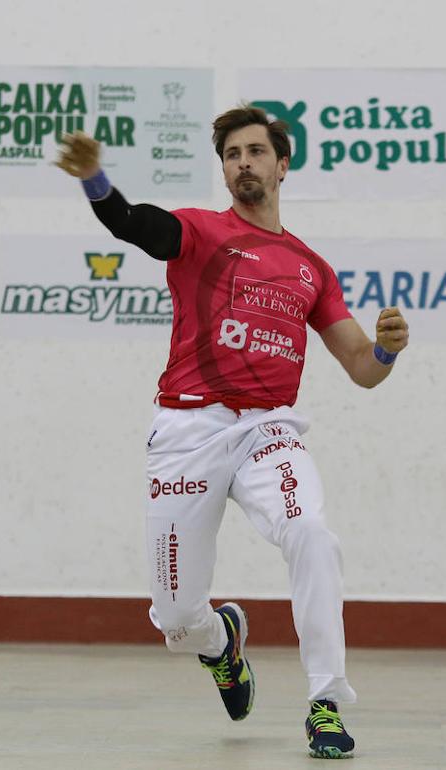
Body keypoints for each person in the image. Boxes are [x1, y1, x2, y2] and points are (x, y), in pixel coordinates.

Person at [55, 104, 409, 760]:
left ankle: (326, 703)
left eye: (254, 151)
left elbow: (361, 367)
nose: (242, 162)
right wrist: (95, 181)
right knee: (176, 619)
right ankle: (221, 645)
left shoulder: (310, 268)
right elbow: (132, 223)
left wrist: (387, 350)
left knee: (312, 534)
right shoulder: (199, 232)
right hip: (188, 428)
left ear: (283, 164)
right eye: (231, 154)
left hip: (268, 430)